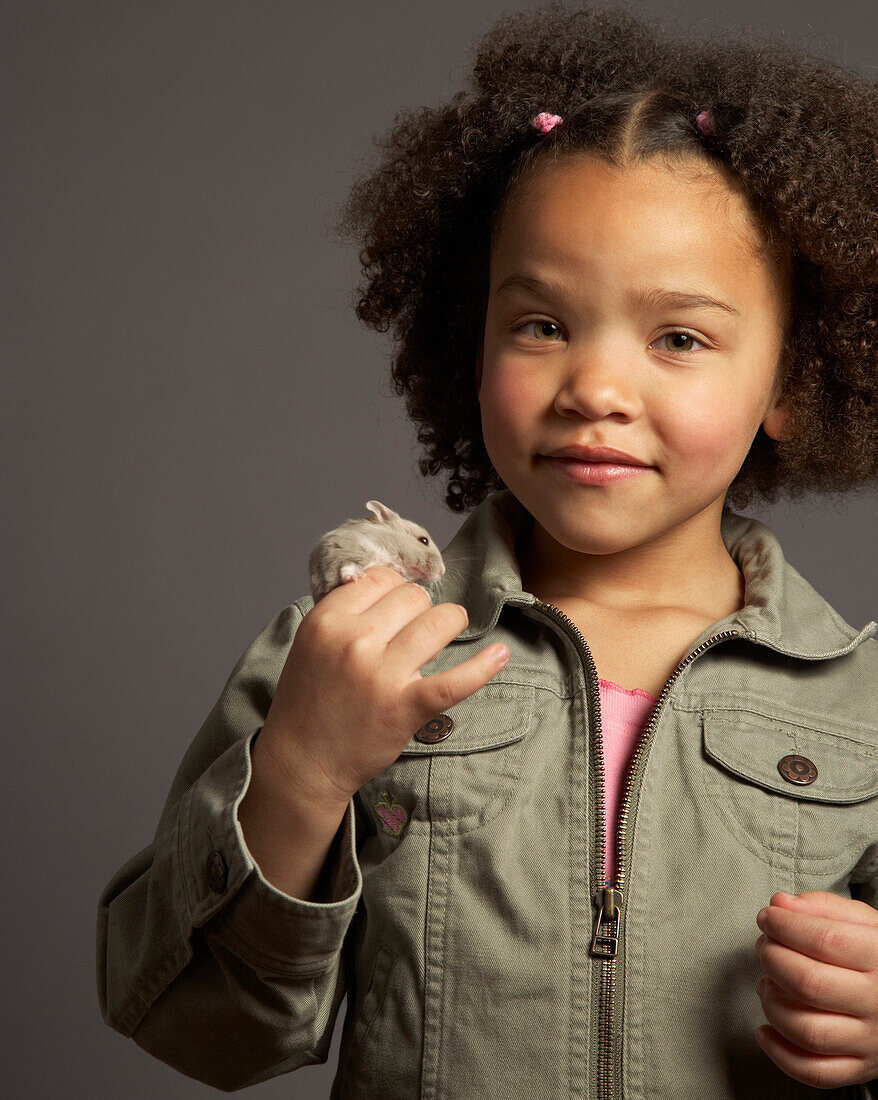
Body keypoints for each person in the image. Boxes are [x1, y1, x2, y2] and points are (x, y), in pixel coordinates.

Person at [96, 3, 878, 1096]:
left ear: (790, 381)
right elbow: (197, 1026)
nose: (595, 387)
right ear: (471, 344)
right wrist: (304, 769)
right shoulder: (348, 656)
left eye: (678, 338)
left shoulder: (861, 705)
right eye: (541, 323)